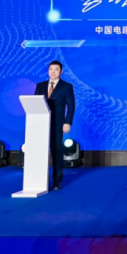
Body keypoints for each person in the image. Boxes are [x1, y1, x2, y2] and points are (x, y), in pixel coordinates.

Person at [34, 60, 75, 191]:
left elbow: (71, 106)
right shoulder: (40, 86)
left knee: (56, 150)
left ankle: (57, 180)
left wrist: (67, 122)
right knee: (40, 151)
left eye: (56, 69)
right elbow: (35, 104)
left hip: (58, 124)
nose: (53, 72)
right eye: (51, 69)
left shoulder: (66, 86)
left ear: (61, 71)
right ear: (48, 71)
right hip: (41, 123)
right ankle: (41, 179)